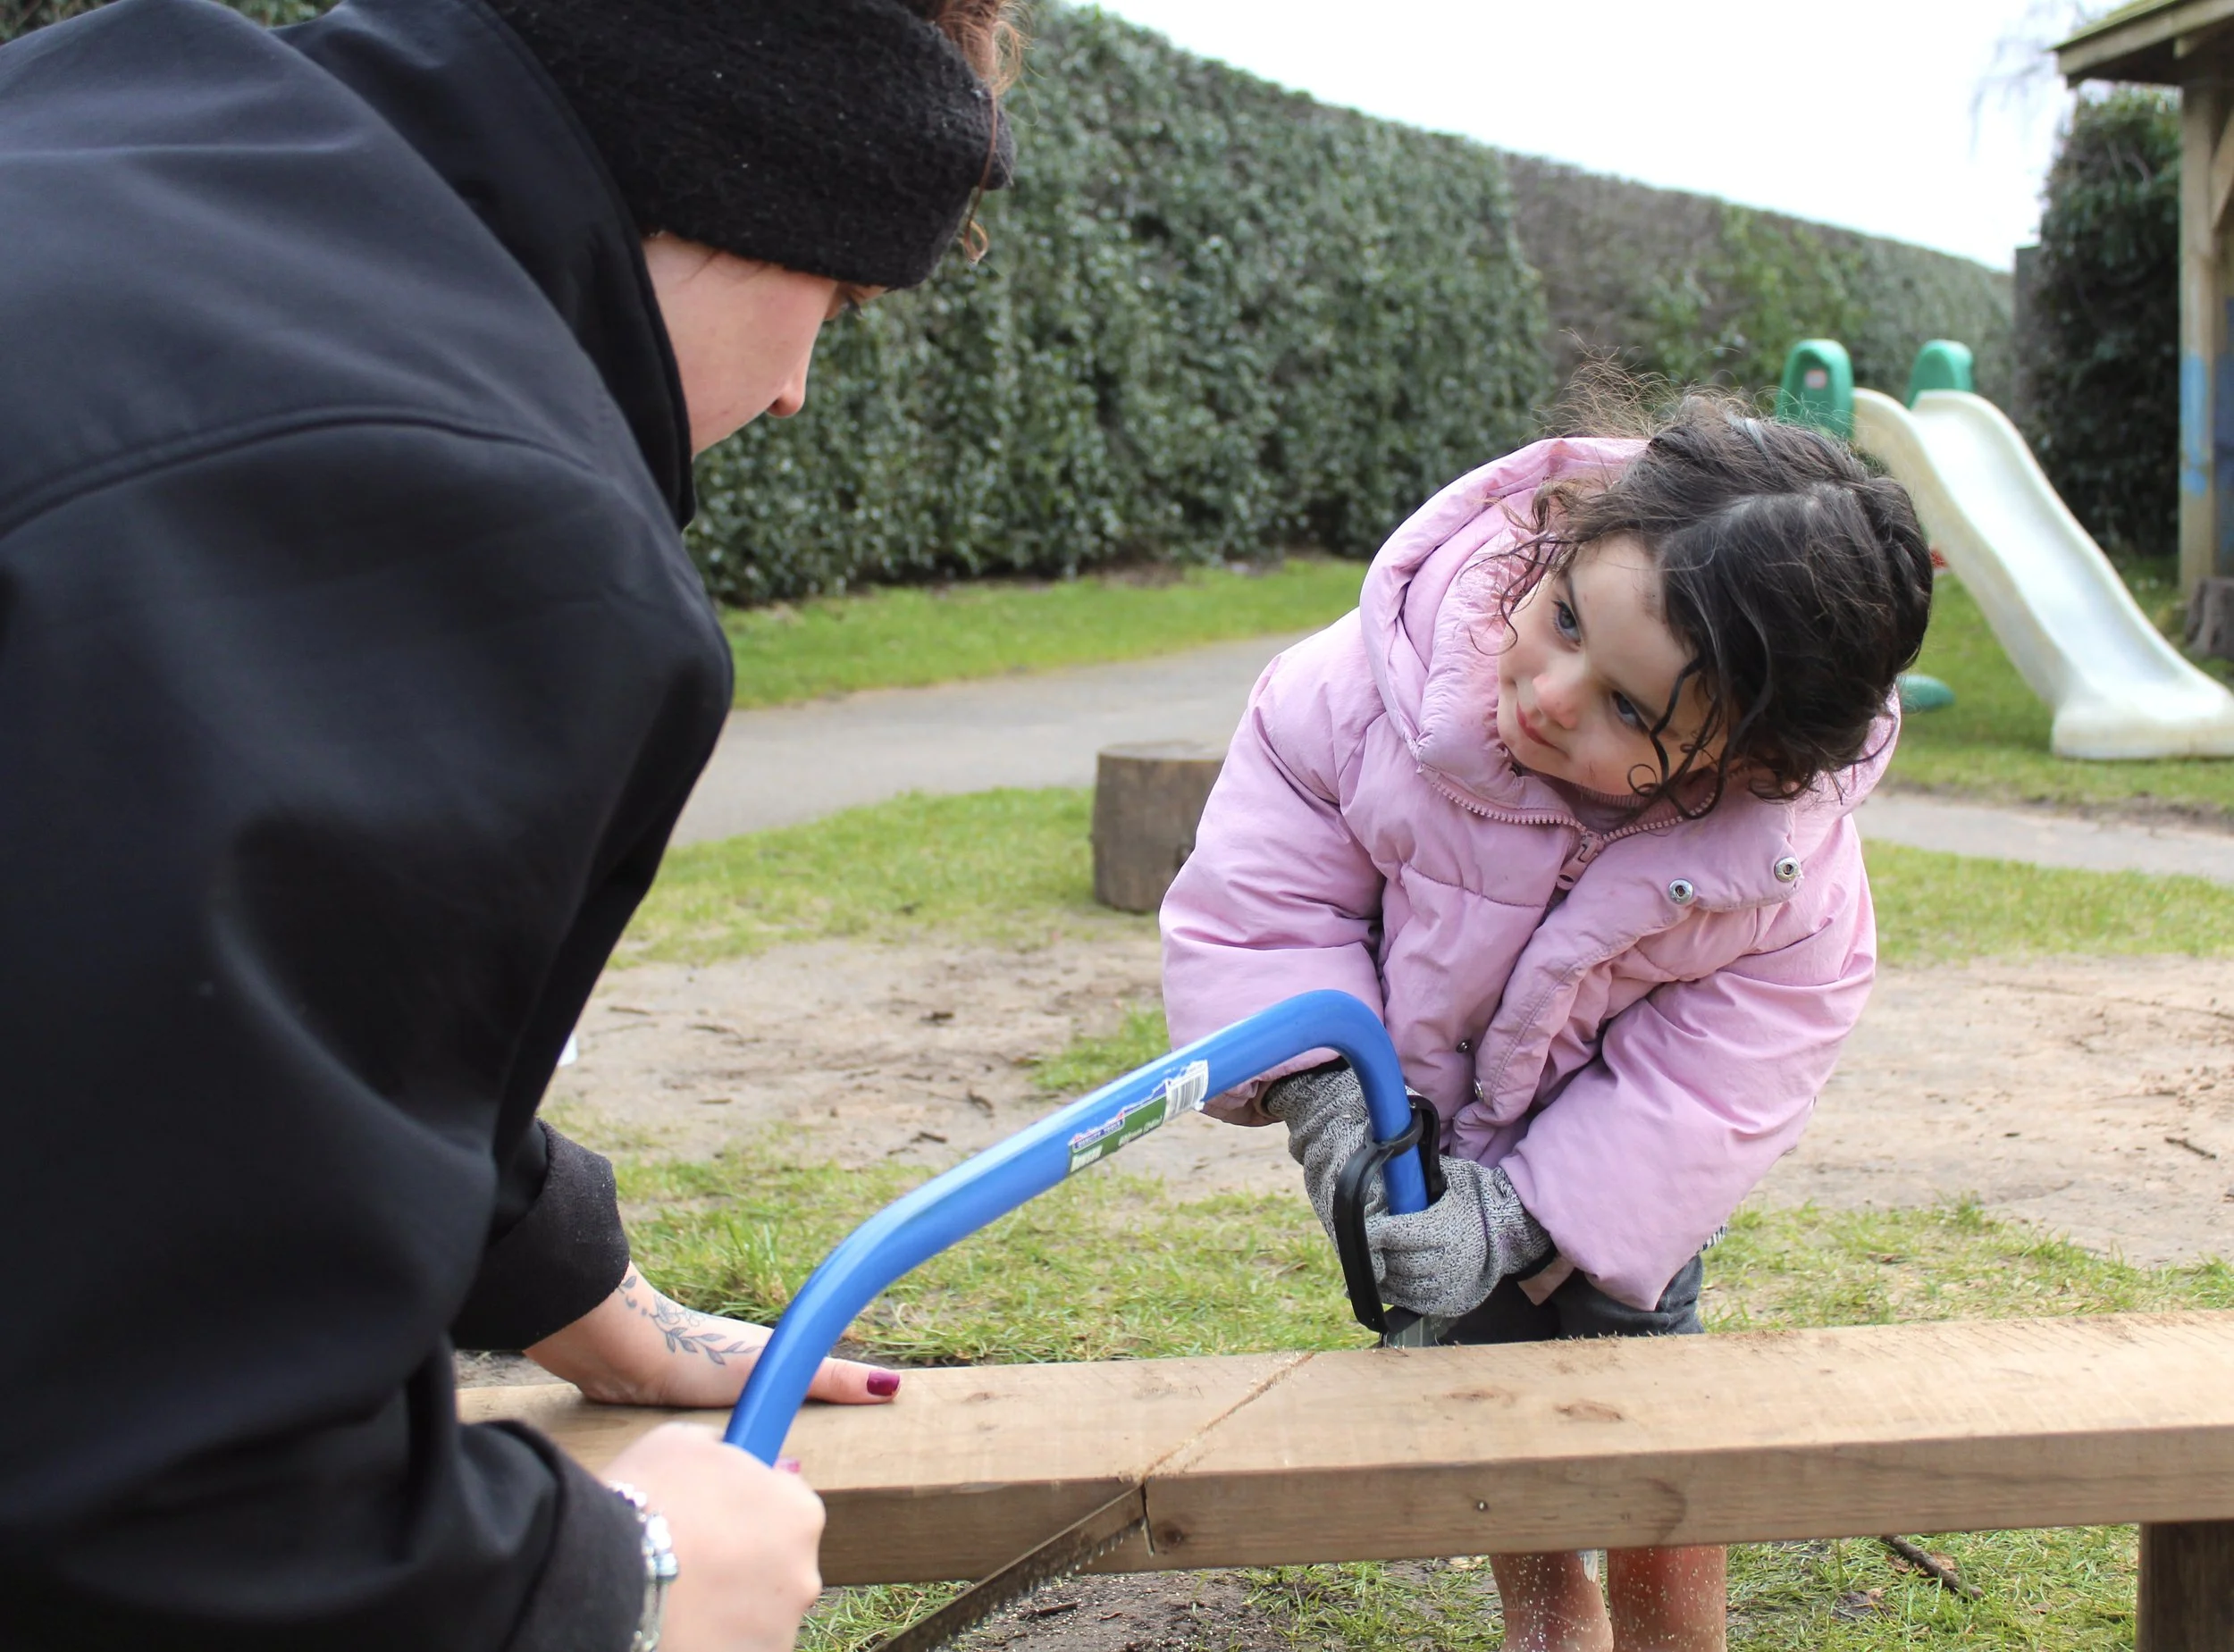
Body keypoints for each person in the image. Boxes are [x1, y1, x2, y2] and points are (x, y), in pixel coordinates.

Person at [0, 0, 1018, 1646]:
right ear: (742, 178)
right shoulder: (458, 505)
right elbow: (152, 1503)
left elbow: (127, 1001)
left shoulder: (122, 114)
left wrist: (556, 1276)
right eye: (834, 301)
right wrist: (623, 1586)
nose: (795, 392)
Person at [1161, 395, 1934, 1652]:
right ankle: (1549, 1618)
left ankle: (1671, 1635)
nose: (1556, 694)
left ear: (1749, 760)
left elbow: (1720, 1083)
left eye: (1633, 711)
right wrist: (1330, 1103)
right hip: (1419, 1127)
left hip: (1616, 1171)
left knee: (1641, 1391)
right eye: (1565, 618)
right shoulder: (1357, 695)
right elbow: (1266, 906)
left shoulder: (1776, 872)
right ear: (1557, 539)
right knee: (1482, 1367)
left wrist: (1532, 1215)